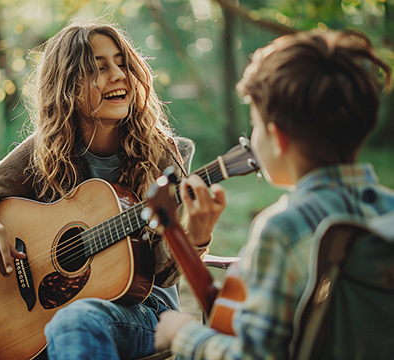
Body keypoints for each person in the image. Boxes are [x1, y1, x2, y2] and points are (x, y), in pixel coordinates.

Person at [0, 19, 226, 360]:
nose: (118, 75)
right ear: (67, 86)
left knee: (75, 321)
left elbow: (163, 273)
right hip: (45, 317)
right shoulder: (42, 153)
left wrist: (196, 235)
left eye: (122, 63)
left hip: (144, 312)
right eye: (99, 68)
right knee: (68, 323)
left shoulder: (160, 156)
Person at [154, 29, 394, 359]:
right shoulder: (389, 211)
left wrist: (182, 332)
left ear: (277, 138)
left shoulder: (282, 230)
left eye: (254, 123)